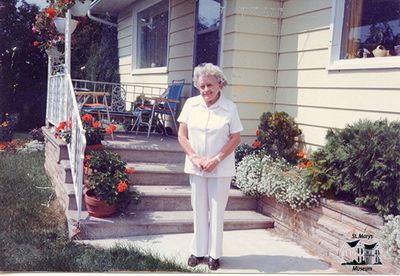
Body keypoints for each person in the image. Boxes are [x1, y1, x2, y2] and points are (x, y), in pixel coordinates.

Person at [177, 63, 243, 270]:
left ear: (220, 84)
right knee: (198, 209)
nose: (206, 90)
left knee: (216, 212)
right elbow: (182, 135)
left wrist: (216, 160)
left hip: (220, 169)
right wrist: (195, 157)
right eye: (202, 86)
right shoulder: (190, 104)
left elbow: (235, 138)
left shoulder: (230, 108)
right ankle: (198, 252)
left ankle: (214, 254)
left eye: (210, 85)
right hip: (196, 166)